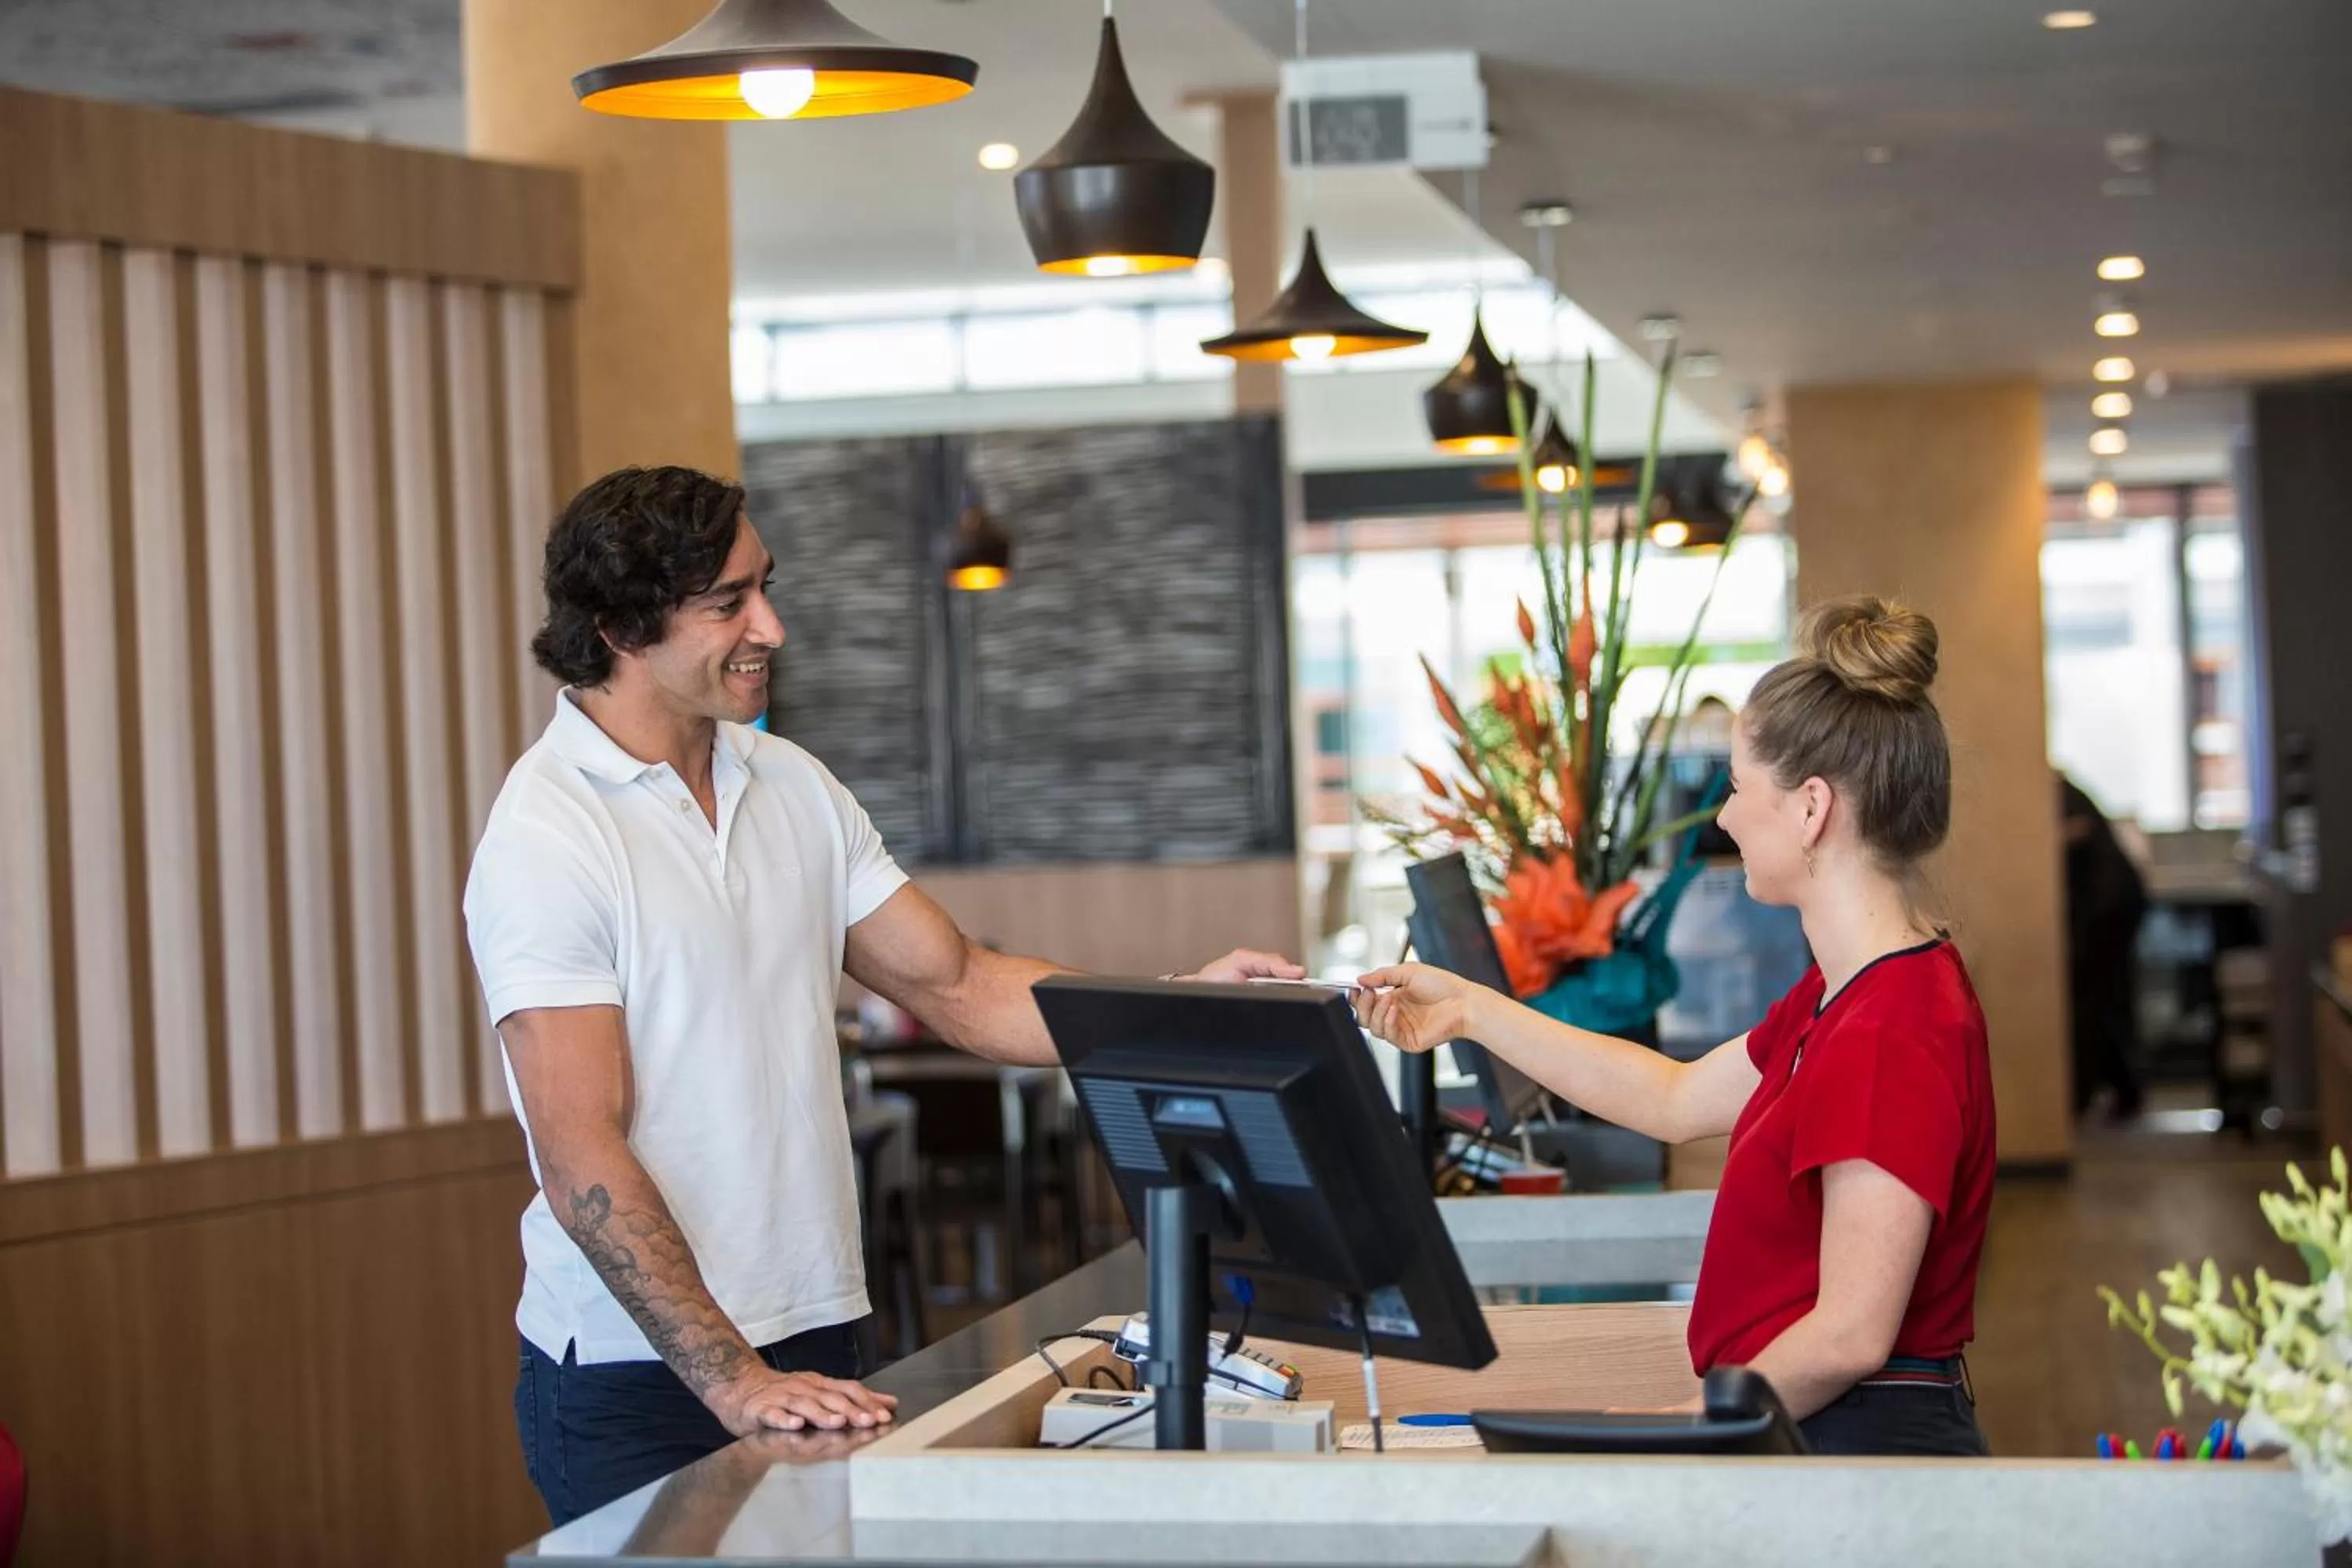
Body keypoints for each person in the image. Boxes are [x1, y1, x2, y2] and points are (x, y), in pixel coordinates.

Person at [464, 466, 1302, 1525]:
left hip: (816, 1327)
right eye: (728, 603)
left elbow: (961, 984)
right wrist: (734, 1379)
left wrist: (1183, 1007)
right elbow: (580, 1148)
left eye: (765, 587)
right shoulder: (549, 834)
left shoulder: (791, 784)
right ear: (622, 628)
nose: (771, 627)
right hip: (641, 1373)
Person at [1354, 596, 1994, 1457]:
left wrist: (1674, 1431)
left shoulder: (1889, 1023)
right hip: (1821, 1431)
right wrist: (1471, 1008)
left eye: (1736, 788)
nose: (1723, 817)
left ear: (1811, 808)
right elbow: (1674, 1095)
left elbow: (1849, 1335)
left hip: (1861, 1450)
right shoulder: (1845, 994)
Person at [2056, 770, 2147, 1118]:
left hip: (2109, 909)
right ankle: (2121, 1090)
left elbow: (2080, 831)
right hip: (2110, 907)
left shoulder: (2061, 793)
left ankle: (2099, 1093)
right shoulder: (2066, 791)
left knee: (2094, 999)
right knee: (2100, 997)